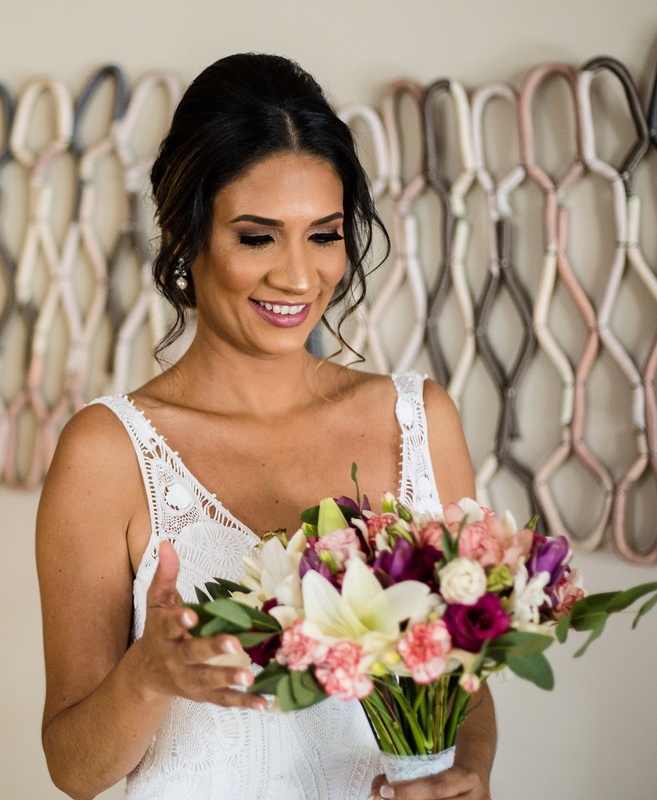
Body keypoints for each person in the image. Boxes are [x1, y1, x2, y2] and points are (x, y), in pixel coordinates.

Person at [35, 53, 495, 800]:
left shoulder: (419, 422)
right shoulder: (107, 451)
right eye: (257, 237)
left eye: (324, 234)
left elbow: (462, 684)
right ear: (185, 237)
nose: (298, 276)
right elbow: (74, 768)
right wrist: (148, 676)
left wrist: (468, 772)